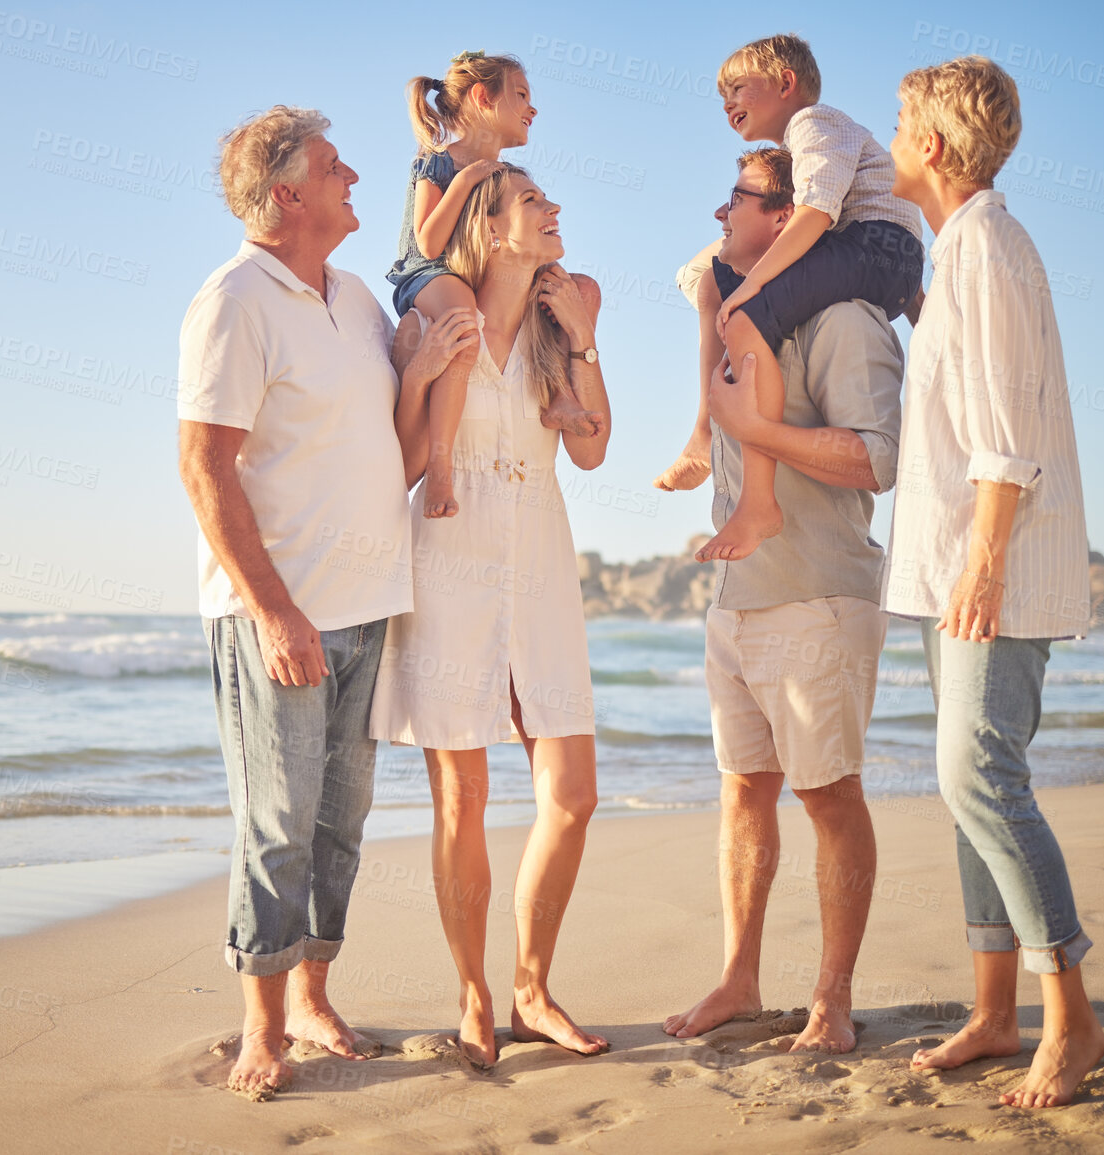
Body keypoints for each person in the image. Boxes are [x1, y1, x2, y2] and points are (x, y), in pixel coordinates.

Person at [177, 105, 474, 1100]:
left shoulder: (353, 295)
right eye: (338, 169)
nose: (356, 180)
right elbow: (203, 468)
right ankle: (260, 1025)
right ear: (287, 192)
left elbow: (388, 439)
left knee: (340, 823)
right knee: (276, 823)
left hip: (367, 605)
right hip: (280, 616)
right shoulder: (231, 301)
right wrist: (274, 612)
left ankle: (311, 996)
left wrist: (425, 370)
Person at [884, 55, 1104, 1108]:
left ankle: (1074, 1017)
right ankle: (997, 1010)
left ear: (930, 146)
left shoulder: (986, 248)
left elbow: (1006, 431)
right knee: (963, 786)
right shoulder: (963, 250)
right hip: (954, 568)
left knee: (980, 776)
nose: (889, 141)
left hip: (991, 568)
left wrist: (983, 559)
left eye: (897, 125)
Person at [659, 146, 903, 1053]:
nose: (720, 214)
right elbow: (700, 276)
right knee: (741, 792)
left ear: (790, 214)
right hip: (736, 601)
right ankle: (738, 977)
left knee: (829, 795)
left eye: (737, 200)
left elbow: (877, 457)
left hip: (818, 597)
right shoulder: (733, 313)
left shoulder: (843, 319)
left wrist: (759, 431)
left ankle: (831, 997)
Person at [371, 163, 610, 1070]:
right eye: (533, 204)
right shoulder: (435, 319)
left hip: (542, 562)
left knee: (573, 794)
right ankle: (474, 994)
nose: (554, 212)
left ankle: (531, 988)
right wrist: (419, 372)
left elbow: (591, 451)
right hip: (450, 563)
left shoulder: (561, 320)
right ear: (488, 224)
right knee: (460, 796)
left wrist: (583, 344)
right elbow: (395, 466)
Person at [656, 34, 924, 566]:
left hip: (870, 245)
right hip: (890, 261)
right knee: (727, 297)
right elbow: (703, 275)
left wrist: (756, 290)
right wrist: (923, 316)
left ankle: (759, 503)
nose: (728, 102)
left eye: (737, 87)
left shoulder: (811, 123)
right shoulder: (810, 142)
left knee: (746, 320)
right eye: (721, 95)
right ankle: (706, 434)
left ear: (785, 83)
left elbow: (817, 211)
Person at [388, 50, 599, 519]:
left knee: (576, 288)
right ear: (483, 98)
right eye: (521, 95)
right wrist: (464, 183)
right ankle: (441, 462)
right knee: (465, 323)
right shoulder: (438, 163)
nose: (533, 107)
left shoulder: (502, 173)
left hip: (472, 272)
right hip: (427, 274)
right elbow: (428, 241)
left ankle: (560, 393)